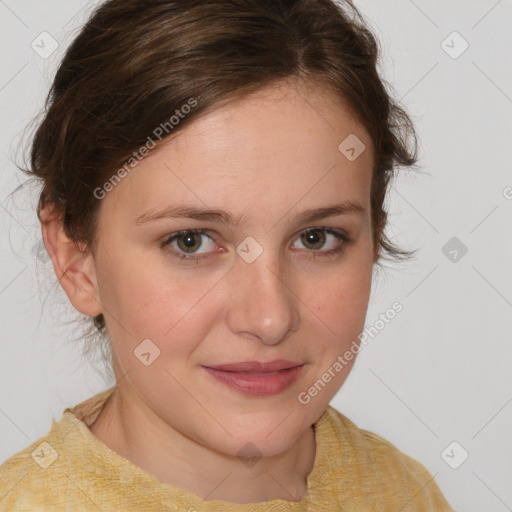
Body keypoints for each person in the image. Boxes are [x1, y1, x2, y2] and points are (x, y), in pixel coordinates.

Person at [0, 0, 457, 510]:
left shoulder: (404, 492)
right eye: (191, 241)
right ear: (76, 259)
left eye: (317, 238)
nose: (269, 318)